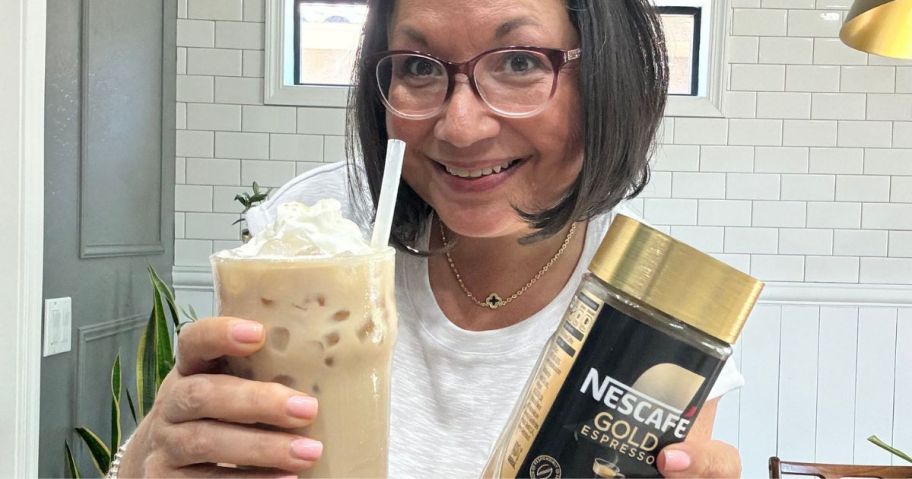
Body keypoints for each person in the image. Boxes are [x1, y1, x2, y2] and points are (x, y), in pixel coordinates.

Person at [115, 0, 744, 477]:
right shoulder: (314, 228)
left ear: (610, 75)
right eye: (417, 66)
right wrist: (153, 455)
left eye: (520, 62)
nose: (461, 127)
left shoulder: (654, 311)